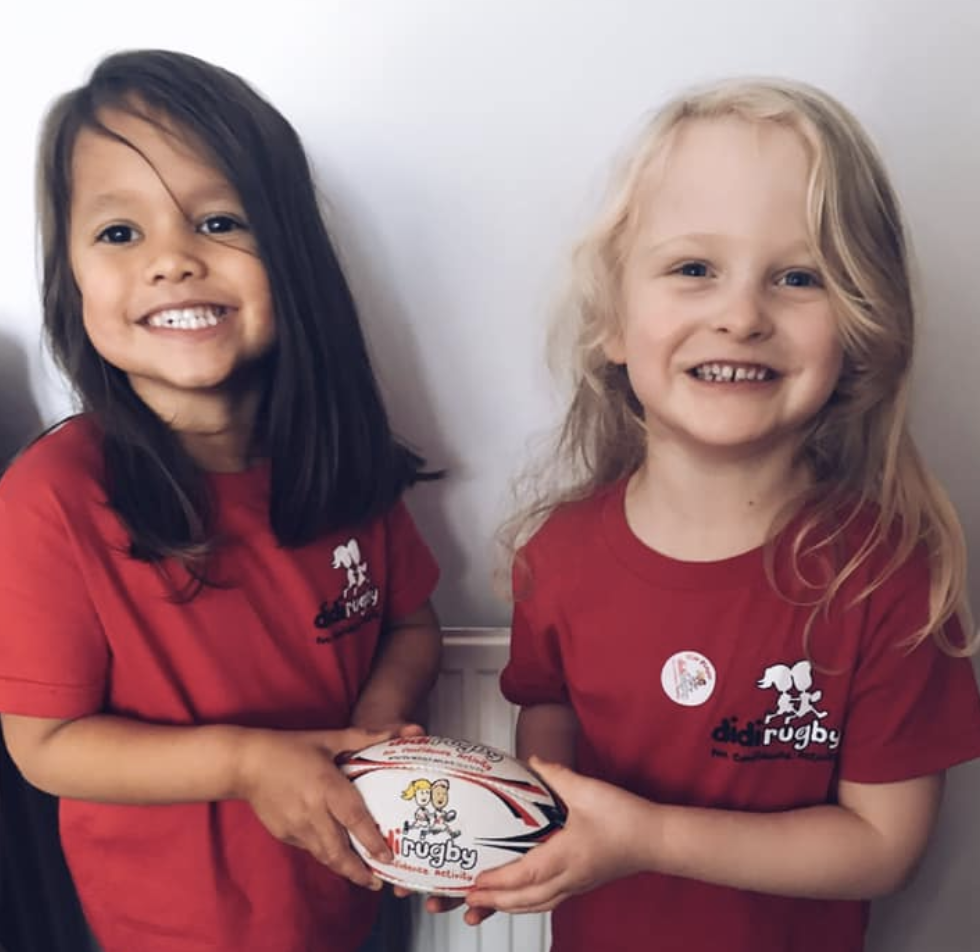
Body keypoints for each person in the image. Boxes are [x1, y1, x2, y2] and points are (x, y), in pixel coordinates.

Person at [463, 78, 980, 952]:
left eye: (798, 277)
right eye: (693, 269)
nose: (741, 315)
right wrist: (515, 832)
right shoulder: (555, 556)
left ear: (856, 330)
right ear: (614, 325)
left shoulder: (888, 577)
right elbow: (549, 716)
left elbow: (882, 846)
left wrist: (645, 838)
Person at [0, 49, 443, 952]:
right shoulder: (53, 497)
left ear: (291, 257)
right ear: (71, 278)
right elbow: (44, 744)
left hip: (348, 897)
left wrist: (370, 727)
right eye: (120, 233)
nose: (172, 261)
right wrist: (248, 763)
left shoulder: (340, 460)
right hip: (162, 930)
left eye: (218, 221)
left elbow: (410, 624)